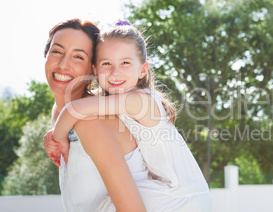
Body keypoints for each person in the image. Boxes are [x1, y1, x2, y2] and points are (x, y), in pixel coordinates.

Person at [49, 20, 212, 211]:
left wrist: (57, 138)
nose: (115, 72)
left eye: (125, 63)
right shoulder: (113, 100)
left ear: (143, 69)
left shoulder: (140, 100)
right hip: (164, 189)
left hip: (181, 197)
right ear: (95, 70)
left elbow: (72, 109)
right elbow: (69, 107)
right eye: (106, 63)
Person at [42, 18, 146, 211]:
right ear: (46, 55)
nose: (64, 65)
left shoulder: (90, 121)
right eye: (56, 51)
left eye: (78, 57)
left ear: (93, 69)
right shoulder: (59, 114)